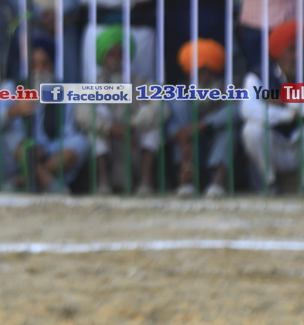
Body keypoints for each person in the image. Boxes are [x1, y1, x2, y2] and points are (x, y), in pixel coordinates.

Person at [240, 21, 304, 194]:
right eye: (291, 50)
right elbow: (249, 110)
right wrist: (290, 114)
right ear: (278, 52)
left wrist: (284, 99)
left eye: (302, 50)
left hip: (303, 145)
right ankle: (269, 183)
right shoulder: (257, 75)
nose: (297, 56)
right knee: (252, 130)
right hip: (274, 146)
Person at [74, 25, 163, 195]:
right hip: (109, 146)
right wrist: (109, 128)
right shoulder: (93, 84)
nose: (117, 59)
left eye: (122, 54)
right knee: (97, 115)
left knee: (152, 122)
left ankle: (146, 182)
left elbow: (161, 107)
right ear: (102, 58)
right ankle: (103, 182)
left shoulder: (141, 82)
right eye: (111, 55)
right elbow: (82, 113)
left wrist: (132, 125)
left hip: (134, 143)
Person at [14, 36, 90, 193]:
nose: (40, 70)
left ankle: (25, 179)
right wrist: (15, 110)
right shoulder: (15, 89)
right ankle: (48, 183)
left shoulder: (67, 92)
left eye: (45, 64)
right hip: (25, 149)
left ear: (54, 65)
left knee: (81, 143)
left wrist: (45, 150)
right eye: (34, 65)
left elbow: (72, 130)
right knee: (17, 143)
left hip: (55, 150)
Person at [168, 40, 234, 198]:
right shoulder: (180, 89)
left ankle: (218, 181)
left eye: (209, 71)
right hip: (189, 147)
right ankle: (186, 179)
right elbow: (167, 121)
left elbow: (237, 110)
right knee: (178, 108)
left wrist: (203, 124)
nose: (205, 76)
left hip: (214, 140)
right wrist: (179, 134)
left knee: (230, 127)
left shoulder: (226, 88)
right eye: (200, 71)